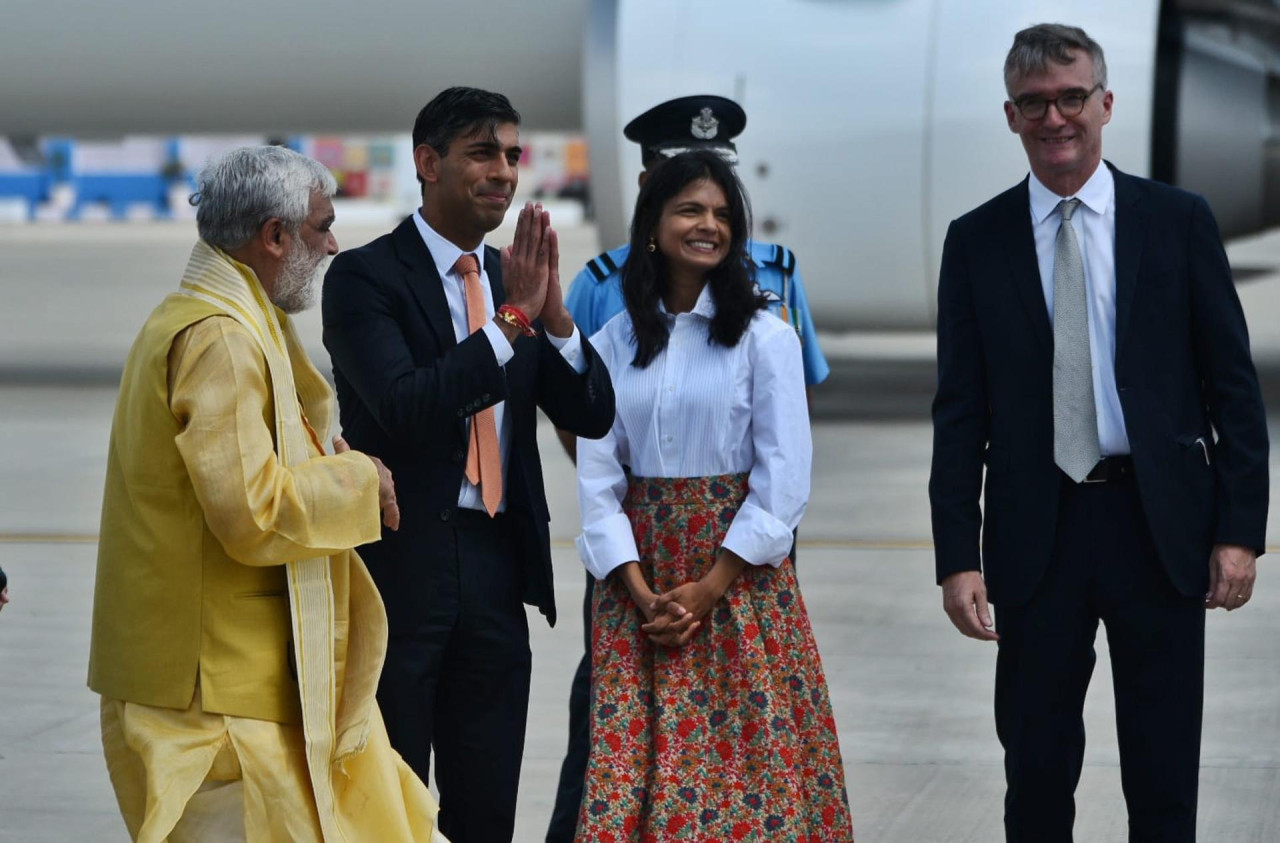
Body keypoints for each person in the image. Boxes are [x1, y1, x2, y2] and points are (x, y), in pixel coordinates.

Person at [929, 24, 1269, 842]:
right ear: (1011, 116)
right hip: (1036, 535)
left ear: (1105, 103)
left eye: (1072, 97)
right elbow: (960, 412)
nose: (1056, 118)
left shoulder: (1178, 222)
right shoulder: (976, 242)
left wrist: (1239, 532)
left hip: (1159, 529)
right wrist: (957, 554)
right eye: (1036, 103)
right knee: (1038, 774)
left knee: (1163, 775)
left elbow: (1233, 388)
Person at [87, 146, 446, 842]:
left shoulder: (202, 314)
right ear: (275, 236)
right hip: (213, 691)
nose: (335, 243)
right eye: (322, 226)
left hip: (209, 675)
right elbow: (249, 510)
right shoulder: (222, 338)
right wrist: (359, 480)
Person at [321, 87, 616, 843]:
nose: (505, 173)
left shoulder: (513, 281)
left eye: (513, 154)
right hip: (398, 566)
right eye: (484, 153)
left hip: (493, 563)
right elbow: (407, 404)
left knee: (486, 804)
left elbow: (590, 414)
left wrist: (555, 323)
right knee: (389, 802)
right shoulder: (364, 278)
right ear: (428, 163)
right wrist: (515, 319)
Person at [547, 94, 830, 841]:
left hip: (736, 583)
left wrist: (708, 588)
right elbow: (598, 477)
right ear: (653, 224)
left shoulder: (765, 339)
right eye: (689, 209)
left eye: (721, 213)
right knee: (629, 787)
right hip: (636, 592)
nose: (708, 224)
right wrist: (640, 593)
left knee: (747, 784)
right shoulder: (610, 339)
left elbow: (783, 480)